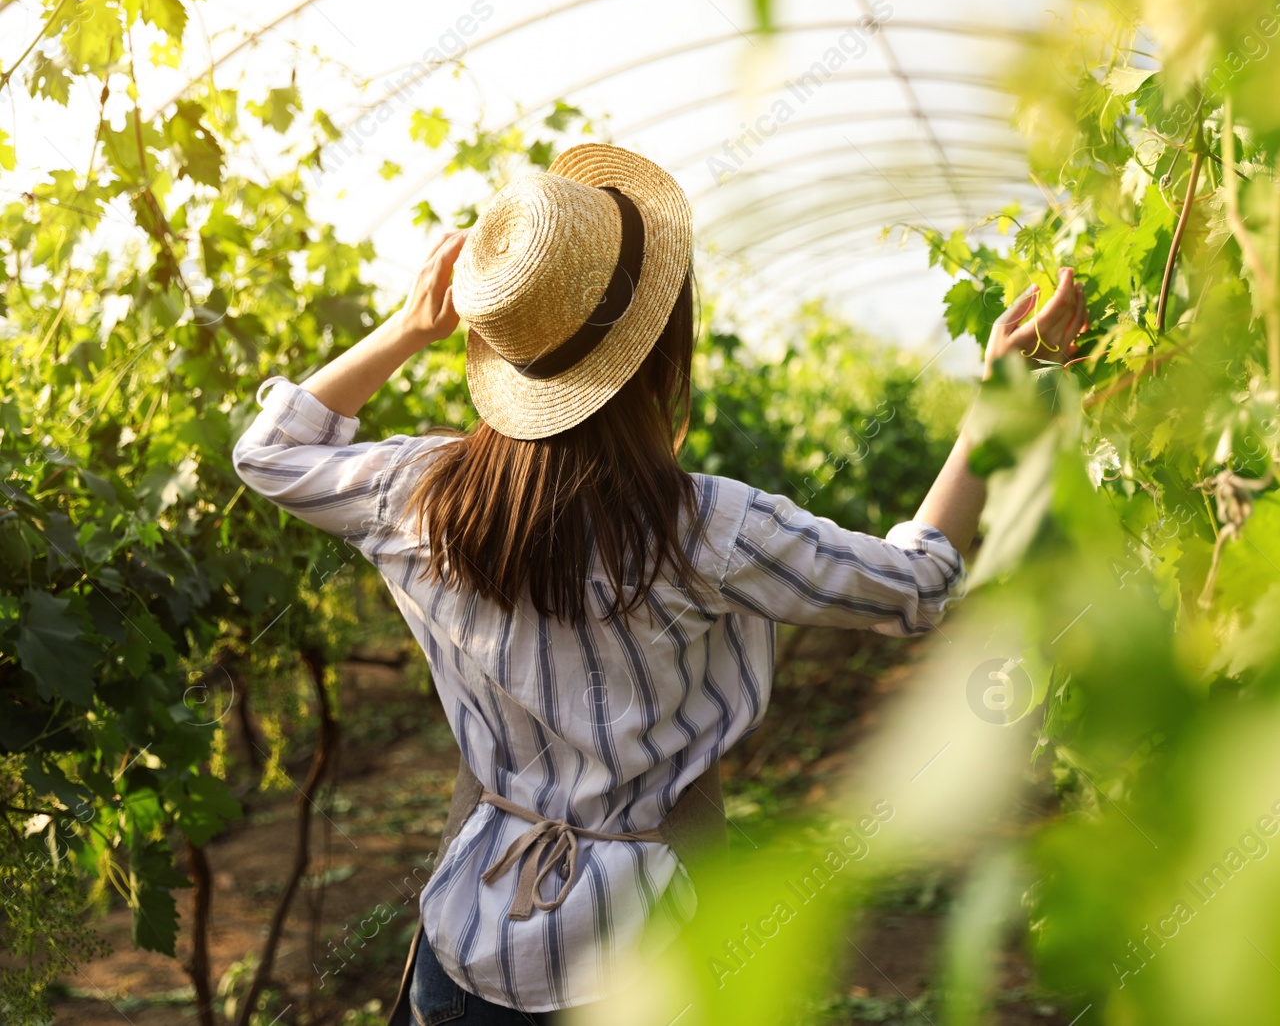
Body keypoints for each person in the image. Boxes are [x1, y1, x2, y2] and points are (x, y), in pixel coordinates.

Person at [232, 144, 1088, 1024]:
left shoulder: (423, 494)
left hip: (465, 949)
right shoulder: (711, 527)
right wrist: (996, 405)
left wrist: (410, 327)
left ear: (499, 350)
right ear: (655, 348)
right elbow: (915, 584)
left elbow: (269, 452)